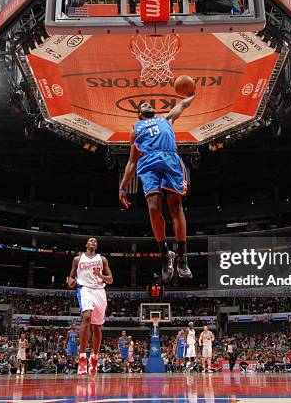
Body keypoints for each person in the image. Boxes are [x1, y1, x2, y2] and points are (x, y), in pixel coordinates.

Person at [119, 94, 196, 283]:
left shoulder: (166, 119)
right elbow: (131, 162)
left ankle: (182, 257)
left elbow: (182, 105)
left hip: (170, 159)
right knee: (153, 207)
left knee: (175, 206)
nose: (147, 104)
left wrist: (191, 95)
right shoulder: (135, 129)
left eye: (148, 104)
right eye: (143, 105)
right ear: (139, 114)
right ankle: (165, 255)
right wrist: (122, 187)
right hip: (148, 163)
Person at [67, 237, 113, 376]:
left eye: (95, 241)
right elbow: (71, 278)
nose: (92, 242)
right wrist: (70, 282)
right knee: (86, 316)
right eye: (90, 240)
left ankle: (94, 357)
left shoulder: (102, 259)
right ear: (86, 244)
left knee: (97, 326)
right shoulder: (77, 259)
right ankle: (82, 357)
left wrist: (101, 275)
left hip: (99, 290)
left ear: (96, 246)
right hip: (85, 289)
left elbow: (110, 279)